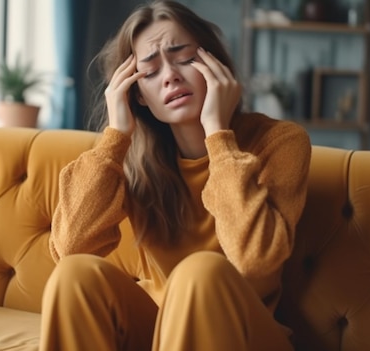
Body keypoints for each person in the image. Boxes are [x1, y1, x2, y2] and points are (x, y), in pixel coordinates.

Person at [40, 1, 311, 350]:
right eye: (149, 72)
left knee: (202, 271)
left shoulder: (280, 142)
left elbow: (254, 261)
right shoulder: (132, 160)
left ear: (215, 65)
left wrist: (217, 134)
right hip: (160, 332)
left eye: (183, 57)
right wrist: (116, 137)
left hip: (244, 333)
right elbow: (70, 249)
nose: (169, 75)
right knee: (73, 276)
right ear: (136, 94)